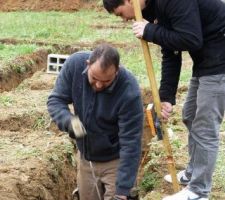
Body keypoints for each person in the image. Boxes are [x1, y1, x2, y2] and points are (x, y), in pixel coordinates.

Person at [103, 0, 225, 200]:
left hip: (220, 58)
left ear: (128, 1)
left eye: (120, 13)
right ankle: (194, 173)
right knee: (190, 116)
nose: (125, 19)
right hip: (207, 59)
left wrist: (150, 31)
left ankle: (199, 191)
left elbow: (191, 39)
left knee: (205, 126)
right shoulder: (151, 10)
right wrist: (166, 97)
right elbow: (171, 52)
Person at [47, 44, 143, 200]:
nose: (99, 85)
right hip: (86, 159)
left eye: (106, 81)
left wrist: (123, 189)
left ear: (116, 72)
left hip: (115, 160)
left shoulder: (129, 90)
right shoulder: (74, 65)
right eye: (94, 78)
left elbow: (131, 141)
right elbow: (56, 100)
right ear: (87, 65)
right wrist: (68, 121)